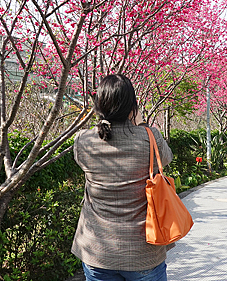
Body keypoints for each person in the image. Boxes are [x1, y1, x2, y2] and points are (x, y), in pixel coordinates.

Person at [71, 74, 173, 281]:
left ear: (99, 105)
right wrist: (140, 122)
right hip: (143, 253)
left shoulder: (83, 140)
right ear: (132, 106)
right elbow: (167, 159)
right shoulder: (150, 138)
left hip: (97, 251)